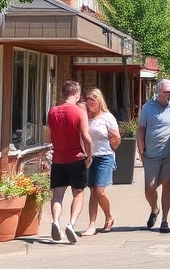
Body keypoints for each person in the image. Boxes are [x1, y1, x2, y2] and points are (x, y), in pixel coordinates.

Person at [46, 80, 92, 244]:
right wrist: (89, 155)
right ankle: (71, 224)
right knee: (78, 193)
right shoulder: (79, 111)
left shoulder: (53, 112)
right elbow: (86, 136)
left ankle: (56, 222)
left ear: (63, 94)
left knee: (58, 195)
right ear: (78, 94)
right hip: (76, 158)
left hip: (58, 159)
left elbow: (47, 136)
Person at [138, 78, 170, 234]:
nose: (168, 95)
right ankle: (155, 208)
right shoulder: (147, 108)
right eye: (165, 92)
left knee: (168, 185)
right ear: (158, 92)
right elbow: (141, 129)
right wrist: (141, 150)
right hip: (151, 155)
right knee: (149, 187)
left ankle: (165, 220)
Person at [81, 88, 120, 236]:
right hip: (90, 156)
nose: (90, 102)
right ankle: (92, 224)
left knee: (99, 190)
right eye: (88, 99)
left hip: (105, 156)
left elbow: (116, 138)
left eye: (93, 99)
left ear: (99, 101)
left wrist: (110, 148)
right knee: (92, 191)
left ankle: (109, 216)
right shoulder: (85, 117)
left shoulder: (107, 117)